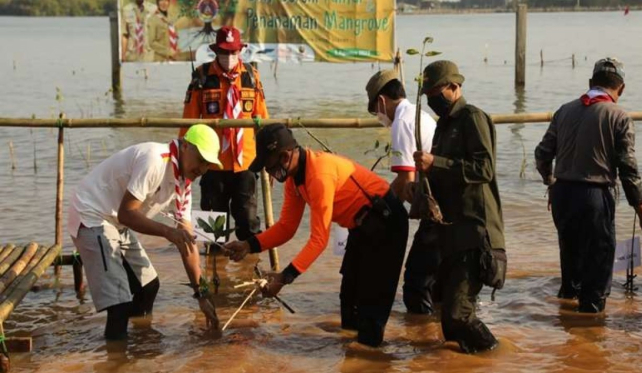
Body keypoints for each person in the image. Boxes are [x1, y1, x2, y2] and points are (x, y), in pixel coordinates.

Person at [222, 124, 409, 347]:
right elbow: (287, 227)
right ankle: (353, 358)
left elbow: (319, 240)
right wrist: (248, 245)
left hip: (387, 223)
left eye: (269, 166)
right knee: (349, 303)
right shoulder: (294, 179)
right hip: (361, 229)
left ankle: (373, 358)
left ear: (284, 156)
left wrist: (284, 277)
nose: (269, 173)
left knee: (371, 306)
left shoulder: (319, 174)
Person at [68, 124, 220, 340]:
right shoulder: (155, 160)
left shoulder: (183, 183)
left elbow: (188, 243)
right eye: (202, 160)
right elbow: (127, 214)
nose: (203, 169)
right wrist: (168, 232)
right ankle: (117, 359)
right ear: (185, 146)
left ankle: (141, 341)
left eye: (208, 164)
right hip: (92, 215)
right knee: (119, 304)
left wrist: (201, 293)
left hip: (116, 222)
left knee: (148, 286)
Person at [535, 57, 642, 313]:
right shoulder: (619, 117)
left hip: (563, 195)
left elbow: (542, 154)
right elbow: (628, 171)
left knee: (571, 267)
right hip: (594, 197)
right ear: (621, 89)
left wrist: (551, 183)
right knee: (597, 272)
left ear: (591, 82)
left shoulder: (564, 110)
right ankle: (589, 335)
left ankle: (567, 336)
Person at [414, 60, 503, 353]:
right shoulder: (443, 126)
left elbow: (484, 169)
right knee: (447, 322)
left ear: (454, 87)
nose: (431, 100)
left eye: (435, 92)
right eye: (427, 95)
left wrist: (435, 162)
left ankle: (498, 356)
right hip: (451, 234)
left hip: (475, 231)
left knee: (458, 315)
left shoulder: (472, 118)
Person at [181, 26, 267, 241]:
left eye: (233, 52)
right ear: (215, 51)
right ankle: (212, 270)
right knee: (212, 232)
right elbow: (187, 124)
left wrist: (268, 158)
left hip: (246, 163)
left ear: (240, 51)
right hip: (211, 163)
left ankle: (247, 270)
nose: (229, 57)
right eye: (224, 52)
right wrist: (184, 164)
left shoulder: (252, 77)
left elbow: (263, 121)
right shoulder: (201, 77)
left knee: (248, 225)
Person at [364, 70, 440, 315]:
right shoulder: (419, 114)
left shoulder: (401, 122)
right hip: (444, 204)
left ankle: (420, 339)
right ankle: (439, 338)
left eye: (375, 111)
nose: (379, 117)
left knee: (416, 283)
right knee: (438, 280)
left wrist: (380, 206)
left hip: (434, 209)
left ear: (381, 101)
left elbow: (405, 180)